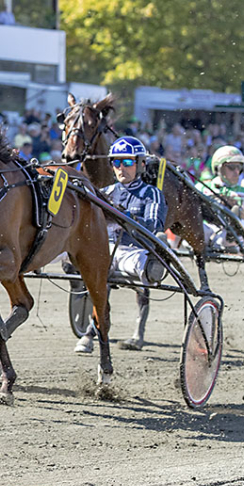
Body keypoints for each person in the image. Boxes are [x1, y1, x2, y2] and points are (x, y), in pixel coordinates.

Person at [75, 136, 167, 353]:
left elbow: (152, 227)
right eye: (116, 163)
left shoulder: (152, 194)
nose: (120, 168)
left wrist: (122, 217)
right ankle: (91, 330)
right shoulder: (105, 193)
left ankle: (153, 266)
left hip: (135, 251)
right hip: (106, 250)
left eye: (127, 163)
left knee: (126, 264)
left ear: (141, 164)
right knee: (96, 262)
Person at [196, 145, 244, 249]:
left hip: (227, 239)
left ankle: (230, 238)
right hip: (204, 231)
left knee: (238, 216)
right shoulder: (202, 188)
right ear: (219, 168)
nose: (237, 172)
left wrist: (236, 208)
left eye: (239, 167)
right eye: (232, 167)